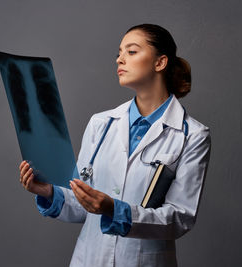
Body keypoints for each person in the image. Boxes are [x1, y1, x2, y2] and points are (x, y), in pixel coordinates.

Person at [18, 23, 211, 267]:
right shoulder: (101, 123)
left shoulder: (193, 135)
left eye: (131, 52)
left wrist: (115, 210)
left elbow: (179, 218)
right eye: (118, 53)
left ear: (160, 62)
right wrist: (46, 190)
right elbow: (81, 206)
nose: (120, 59)